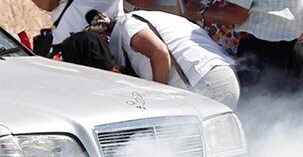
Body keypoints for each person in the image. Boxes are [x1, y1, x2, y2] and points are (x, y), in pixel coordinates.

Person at [97, 9, 240, 109]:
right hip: (225, 77)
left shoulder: (127, 25)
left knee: (176, 149)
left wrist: (159, 101)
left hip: (203, 83)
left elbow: (159, 53)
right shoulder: (158, 17)